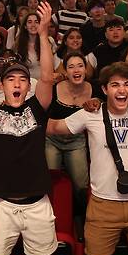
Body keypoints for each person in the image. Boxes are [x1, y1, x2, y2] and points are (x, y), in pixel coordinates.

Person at [47, 61, 128, 255]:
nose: (122, 90)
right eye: (115, 85)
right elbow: (56, 127)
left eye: (127, 84)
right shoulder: (91, 113)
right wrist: (22, 113)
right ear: (104, 89)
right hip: (103, 205)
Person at [0, 2, 57, 255]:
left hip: (38, 205)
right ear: (1, 85)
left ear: (27, 86)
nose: (18, 83)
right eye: (11, 79)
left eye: (22, 79)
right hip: (3, 206)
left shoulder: (36, 107)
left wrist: (42, 35)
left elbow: (46, 78)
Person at [44, 52, 92, 210]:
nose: (76, 70)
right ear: (65, 71)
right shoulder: (53, 88)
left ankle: (79, 218)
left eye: (80, 66)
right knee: (50, 180)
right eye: (71, 67)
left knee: (81, 185)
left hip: (76, 141)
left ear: (86, 69)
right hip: (52, 140)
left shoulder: (95, 89)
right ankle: (53, 215)